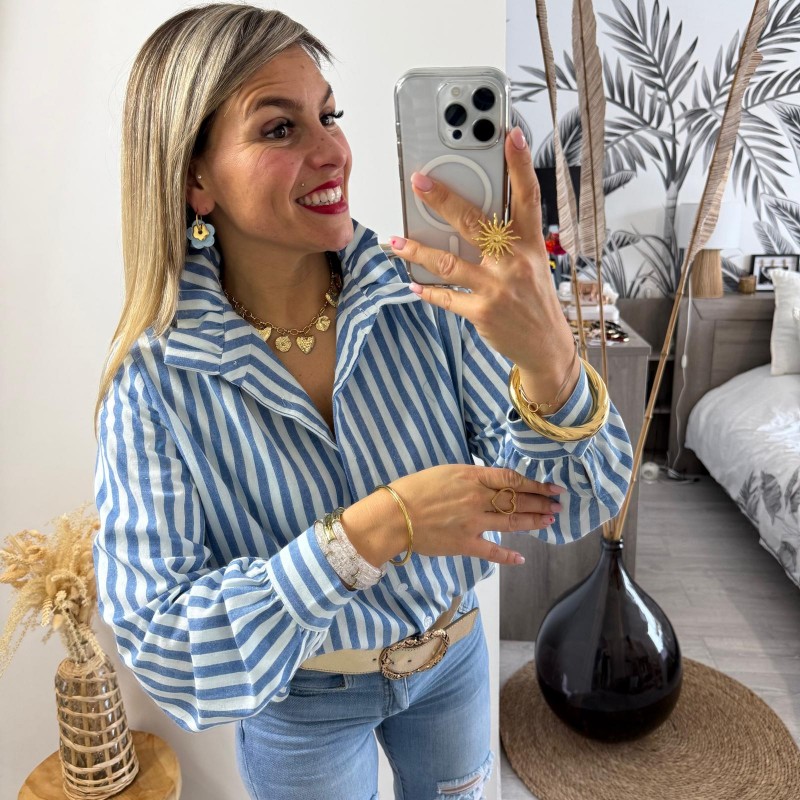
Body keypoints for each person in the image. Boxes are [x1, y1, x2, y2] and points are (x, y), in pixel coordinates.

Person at [92, 5, 633, 799]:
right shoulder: (154, 381)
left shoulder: (425, 291)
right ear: (194, 178)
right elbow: (168, 647)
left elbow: (580, 503)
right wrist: (375, 530)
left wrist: (552, 362)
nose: (333, 151)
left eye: (330, 115)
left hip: (451, 658)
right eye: (280, 129)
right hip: (300, 702)